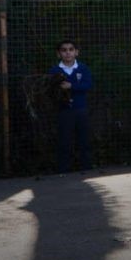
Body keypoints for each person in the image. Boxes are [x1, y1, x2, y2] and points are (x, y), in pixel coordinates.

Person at [49, 39, 93, 172]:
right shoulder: (55, 70)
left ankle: (86, 167)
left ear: (76, 52)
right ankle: (63, 169)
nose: (67, 53)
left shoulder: (83, 68)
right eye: (64, 50)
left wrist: (71, 86)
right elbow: (51, 89)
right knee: (64, 139)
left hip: (81, 109)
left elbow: (88, 85)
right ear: (58, 54)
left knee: (84, 139)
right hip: (64, 110)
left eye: (71, 49)